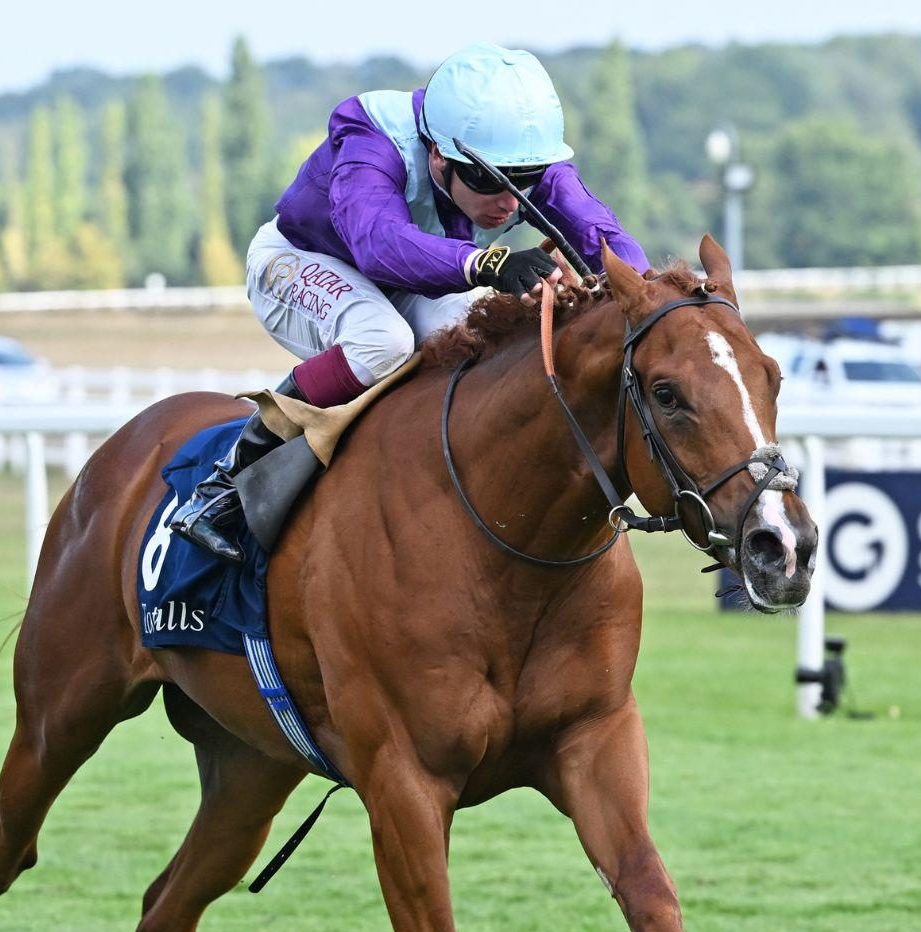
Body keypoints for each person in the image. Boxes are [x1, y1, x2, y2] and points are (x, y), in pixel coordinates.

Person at [170, 41, 651, 563]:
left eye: (527, 180)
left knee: (481, 338)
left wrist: (648, 298)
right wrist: (488, 264)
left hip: (409, 279)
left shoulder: (519, 157)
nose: (511, 202)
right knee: (382, 341)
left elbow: (602, 234)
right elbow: (377, 244)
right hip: (299, 262)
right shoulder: (369, 140)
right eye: (490, 181)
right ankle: (222, 489)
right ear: (439, 154)